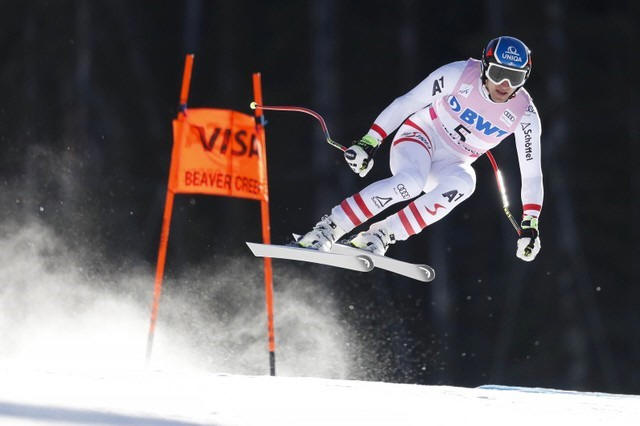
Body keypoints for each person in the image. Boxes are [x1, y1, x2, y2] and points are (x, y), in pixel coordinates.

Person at [297, 36, 543, 262]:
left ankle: (381, 234)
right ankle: (329, 228)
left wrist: (530, 225)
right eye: (498, 73)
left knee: (466, 182)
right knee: (411, 182)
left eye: (515, 78)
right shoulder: (458, 74)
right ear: (484, 67)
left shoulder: (525, 115)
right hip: (420, 137)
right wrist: (370, 141)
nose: (504, 84)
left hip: (453, 162)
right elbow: (408, 102)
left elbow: (531, 173)